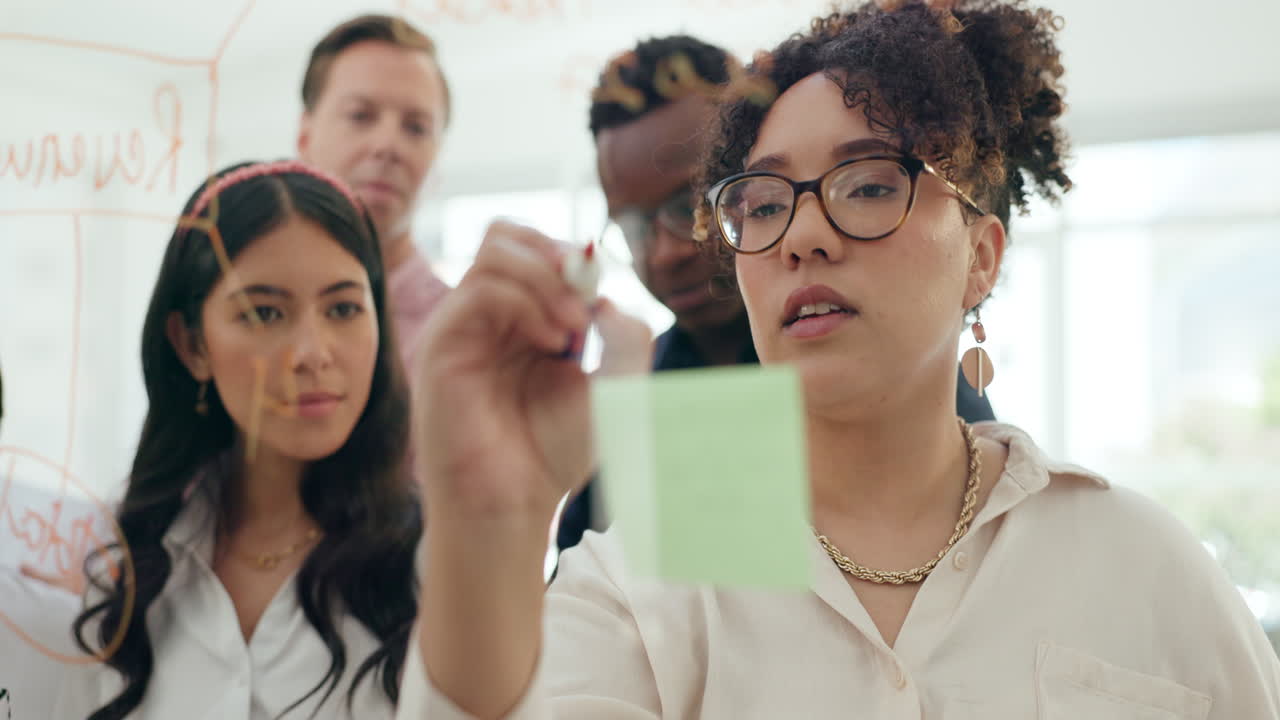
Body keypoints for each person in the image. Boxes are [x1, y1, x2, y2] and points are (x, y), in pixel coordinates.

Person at [398, 1, 1280, 718]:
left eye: (867, 185)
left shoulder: (1145, 568)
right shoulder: (641, 590)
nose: (805, 236)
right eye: (763, 202)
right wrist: (486, 526)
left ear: (982, 253)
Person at [558, 33, 995, 553]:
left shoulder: (892, 372)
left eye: (686, 207)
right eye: (632, 226)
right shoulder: (629, 403)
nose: (662, 253)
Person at [56, 160, 419, 719]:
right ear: (191, 345)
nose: (313, 353)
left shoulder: (432, 567)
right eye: (265, 312)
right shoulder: (126, 568)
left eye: (344, 308)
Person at [298, 14, 453, 367]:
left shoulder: (471, 341)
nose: (387, 145)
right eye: (360, 115)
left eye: (416, 128)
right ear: (304, 137)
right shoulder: (237, 309)